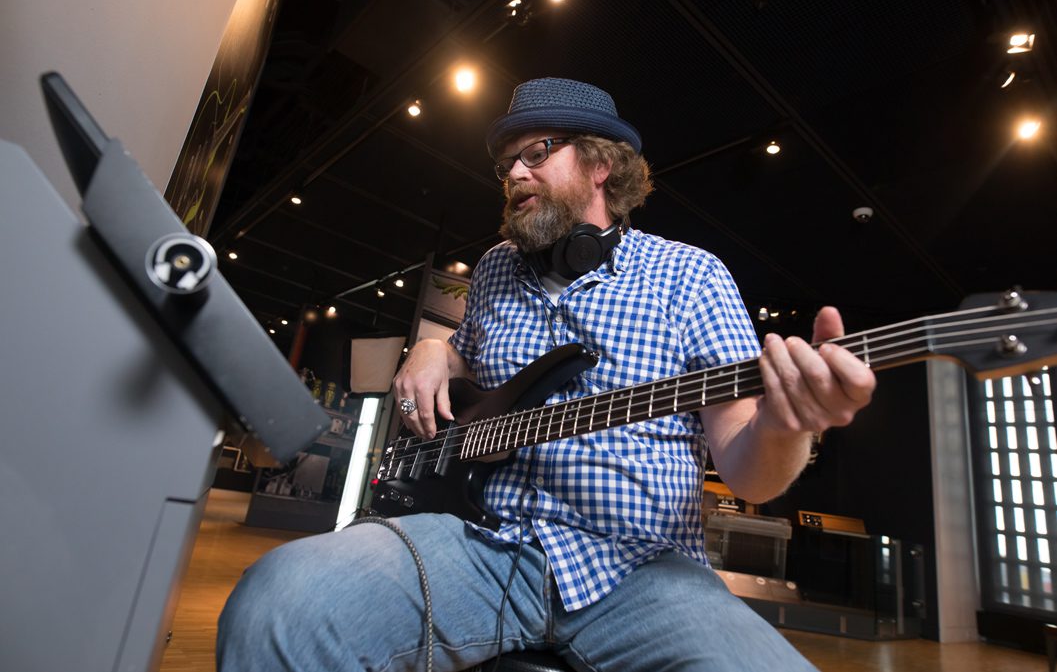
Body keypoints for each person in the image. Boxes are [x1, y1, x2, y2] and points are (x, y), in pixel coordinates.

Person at [217, 78, 876, 671]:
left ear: (600, 164)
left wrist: (790, 424)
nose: (514, 173)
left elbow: (745, 464)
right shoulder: (497, 267)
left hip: (640, 569)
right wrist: (432, 348)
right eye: (507, 163)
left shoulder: (690, 275)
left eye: (536, 153)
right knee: (276, 602)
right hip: (477, 541)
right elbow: (470, 372)